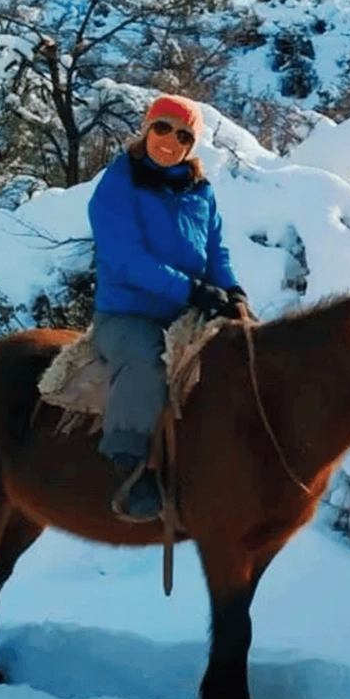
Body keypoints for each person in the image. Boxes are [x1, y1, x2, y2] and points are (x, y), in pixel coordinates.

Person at [87, 93, 249, 522]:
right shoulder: (118, 183)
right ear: (146, 128)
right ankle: (132, 467)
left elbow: (216, 249)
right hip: (126, 312)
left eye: (183, 135)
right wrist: (193, 291)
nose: (170, 141)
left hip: (186, 309)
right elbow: (125, 257)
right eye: (162, 128)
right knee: (145, 361)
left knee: (245, 355)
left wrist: (232, 291)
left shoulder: (200, 190)